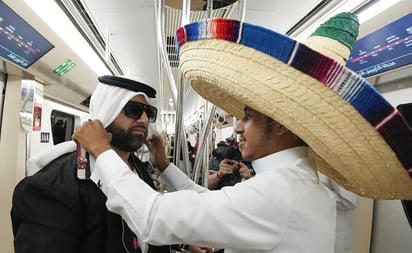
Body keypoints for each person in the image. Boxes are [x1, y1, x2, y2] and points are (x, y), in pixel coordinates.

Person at [72, 13, 412, 253]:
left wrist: (102, 152)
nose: (236, 127)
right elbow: (211, 203)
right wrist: (165, 165)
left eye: (247, 117)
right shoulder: (292, 183)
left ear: (280, 124)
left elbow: (154, 220)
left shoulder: (281, 192)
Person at [10, 75, 204, 253]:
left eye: (148, 112)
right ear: (107, 113)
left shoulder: (138, 168)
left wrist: (182, 242)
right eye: (134, 110)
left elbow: (146, 221)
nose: (144, 119)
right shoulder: (52, 187)